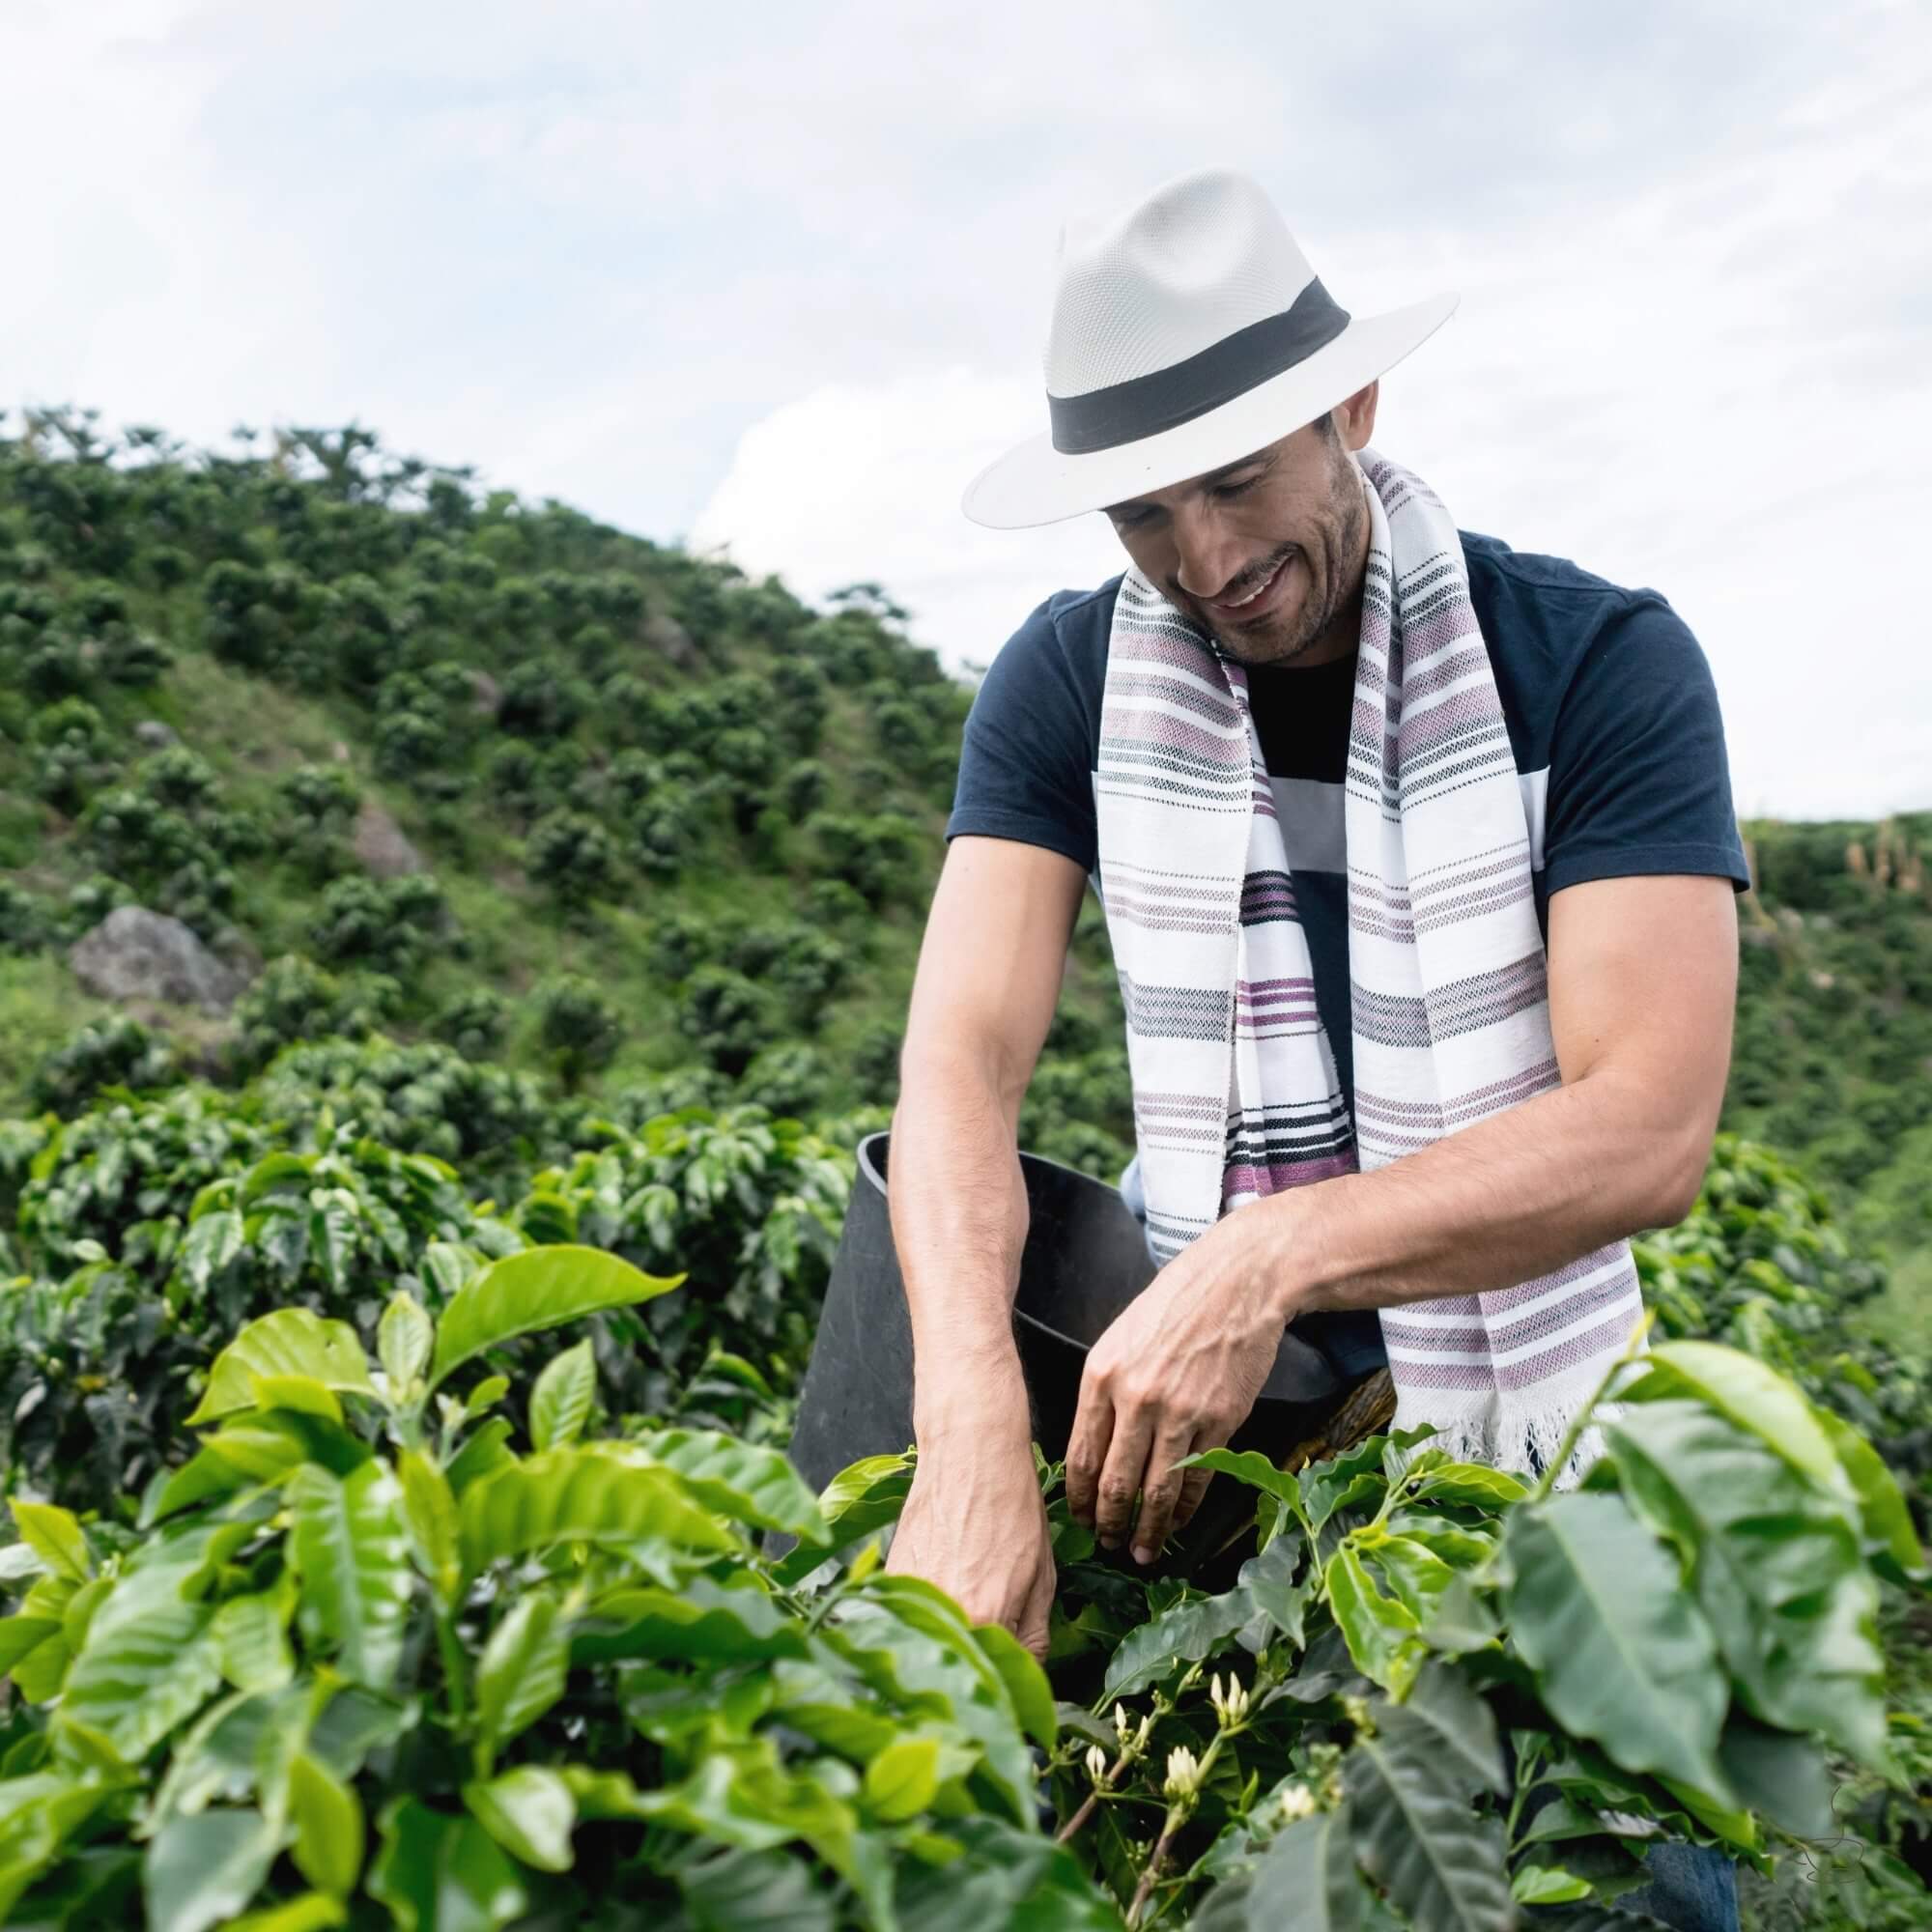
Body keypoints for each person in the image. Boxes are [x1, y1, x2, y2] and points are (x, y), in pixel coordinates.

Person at [885, 165, 1745, 1880]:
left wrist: (1267, 1256)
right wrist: (968, 1424)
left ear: (1349, 405)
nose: (1205, 562)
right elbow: (961, 1059)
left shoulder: (1595, 666)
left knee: (1606, 1877)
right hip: (1225, 1457)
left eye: (1235, 481)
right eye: (1142, 512)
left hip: (1519, 1435)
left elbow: (1648, 1124)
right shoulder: (1069, 685)